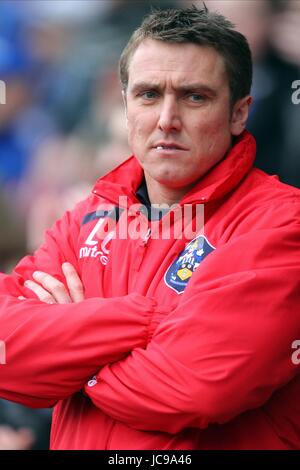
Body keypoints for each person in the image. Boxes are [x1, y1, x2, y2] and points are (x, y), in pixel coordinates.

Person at [0, 5, 299, 450]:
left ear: (239, 113)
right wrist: (151, 322)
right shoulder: (83, 220)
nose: (167, 119)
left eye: (194, 96)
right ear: (124, 106)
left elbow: (193, 387)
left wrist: (71, 348)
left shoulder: (282, 223)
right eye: (148, 95)